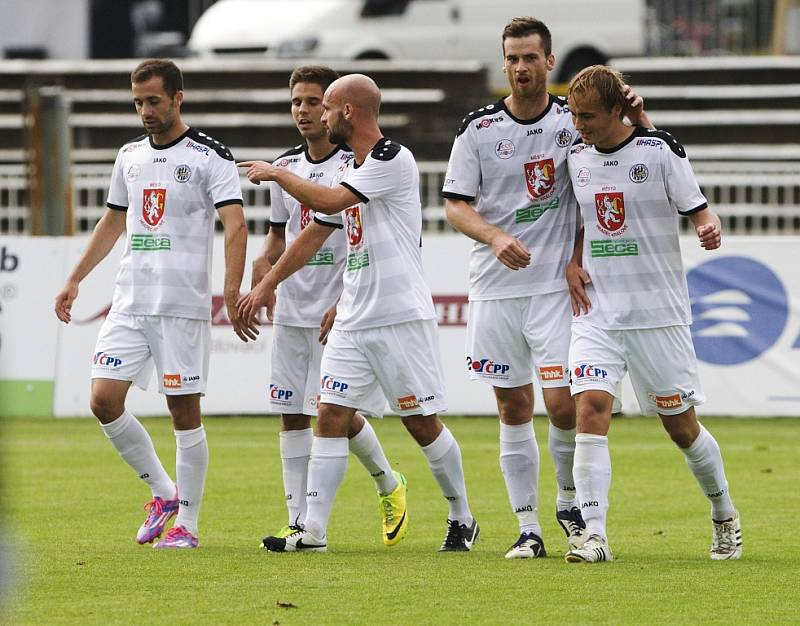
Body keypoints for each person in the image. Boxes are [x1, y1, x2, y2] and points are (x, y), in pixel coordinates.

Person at [238, 73, 478, 553]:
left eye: (326, 107)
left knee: (421, 423)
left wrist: (279, 173)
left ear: (348, 111)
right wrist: (267, 282)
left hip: (397, 314)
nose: (320, 116)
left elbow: (327, 199)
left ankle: (461, 515)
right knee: (328, 413)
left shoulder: (392, 158)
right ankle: (313, 532)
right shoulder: (359, 168)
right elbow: (313, 233)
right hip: (352, 316)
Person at [441, 16, 652, 559]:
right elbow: (455, 204)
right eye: (512, 58)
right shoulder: (479, 127)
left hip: (555, 290)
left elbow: (622, 165)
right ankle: (528, 529)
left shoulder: (572, 121)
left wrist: (638, 116)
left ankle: (566, 502)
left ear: (549, 61)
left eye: (530, 57)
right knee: (512, 407)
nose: (520, 67)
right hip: (494, 287)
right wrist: (493, 237)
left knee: (561, 405)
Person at [54, 59, 251, 549]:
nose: (144, 110)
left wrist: (231, 289)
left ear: (177, 98)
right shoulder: (129, 156)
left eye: (153, 101)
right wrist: (75, 278)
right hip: (130, 301)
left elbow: (236, 224)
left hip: (180, 305)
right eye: (138, 102)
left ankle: (188, 524)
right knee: (103, 399)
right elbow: (113, 221)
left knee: (183, 412)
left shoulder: (211, 156)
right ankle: (164, 493)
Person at [563, 65, 741, 563]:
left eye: (589, 116)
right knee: (590, 408)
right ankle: (594, 535)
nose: (580, 125)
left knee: (680, 427)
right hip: (599, 311)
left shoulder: (659, 151)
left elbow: (699, 208)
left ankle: (723, 512)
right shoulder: (576, 159)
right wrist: (574, 260)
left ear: (619, 110)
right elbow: (585, 217)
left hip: (657, 313)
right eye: (575, 116)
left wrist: (709, 227)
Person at [251, 65, 407, 550]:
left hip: (341, 308)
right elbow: (282, 234)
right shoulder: (285, 164)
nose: (303, 110)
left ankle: (387, 483)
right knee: (290, 413)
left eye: (313, 101)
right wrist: (263, 265)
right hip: (294, 308)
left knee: (332, 412)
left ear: (336, 108)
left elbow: (342, 231)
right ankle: (298, 521)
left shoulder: (356, 165)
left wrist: (344, 299)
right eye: (296, 101)